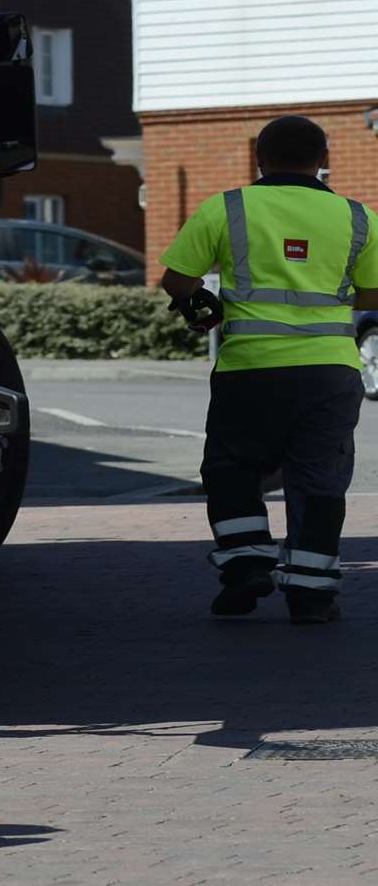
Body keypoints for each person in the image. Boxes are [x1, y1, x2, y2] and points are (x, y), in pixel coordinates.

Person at [158, 115, 378, 624]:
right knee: (319, 479)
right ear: (323, 161)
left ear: (259, 158)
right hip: (329, 371)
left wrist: (202, 305)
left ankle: (245, 564)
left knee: (231, 468)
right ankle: (311, 593)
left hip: (248, 369)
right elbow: (372, 293)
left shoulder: (227, 207)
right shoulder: (358, 218)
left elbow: (177, 279)